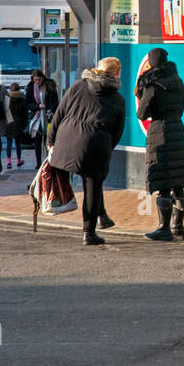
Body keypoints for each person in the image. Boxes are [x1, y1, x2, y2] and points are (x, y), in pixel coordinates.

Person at [47, 57, 126, 246]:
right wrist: (106, 147)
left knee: (85, 179)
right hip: (96, 144)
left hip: (67, 139)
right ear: (115, 73)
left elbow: (60, 112)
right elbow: (117, 131)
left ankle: (103, 215)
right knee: (93, 186)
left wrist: (51, 141)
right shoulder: (117, 99)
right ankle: (89, 232)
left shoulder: (78, 86)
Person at [135, 48, 184, 241]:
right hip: (177, 128)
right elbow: (182, 108)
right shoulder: (178, 82)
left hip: (159, 131)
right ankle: (179, 227)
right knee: (178, 182)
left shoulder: (152, 86)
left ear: (151, 63)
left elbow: (141, 114)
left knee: (163, 183)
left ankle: (164, 228)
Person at [28, 70, 59, 167]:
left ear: (43, 78)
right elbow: (28, 103)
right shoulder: (30, 87)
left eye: (39, 79)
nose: (37, 82)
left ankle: (49, 160)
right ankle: (38, 162)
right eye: (35, 80)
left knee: (48, 139)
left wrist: (51, 110)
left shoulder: (50, 86)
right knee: (37, 140)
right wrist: (37, 106)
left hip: (48, 117)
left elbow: (55, 101)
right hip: (37, 117)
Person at [6, 83, 29, 169]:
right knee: (18, 143)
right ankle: (19, 160)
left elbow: (5, 111)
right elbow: (25, 113)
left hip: (9, 122)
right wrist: (24, 124)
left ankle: (8, 162)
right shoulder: (22, 99)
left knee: (9, 142)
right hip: (19, 123)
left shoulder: (7, 99)